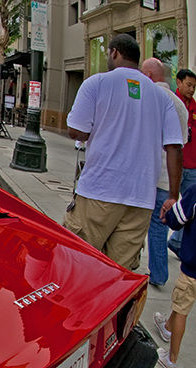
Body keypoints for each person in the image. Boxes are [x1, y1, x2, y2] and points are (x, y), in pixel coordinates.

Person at [63, 34, 183, 271]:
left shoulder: (96, 83)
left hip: (99, 190)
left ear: (114, 52)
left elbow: (76, 131)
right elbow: (174, 149)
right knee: (118, 274)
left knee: (75, 263)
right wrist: (173, 195)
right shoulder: (163, 97)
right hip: (140, 199)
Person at [141, 58, 189, 286]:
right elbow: (181, 143)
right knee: (159, 228)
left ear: (149, 74)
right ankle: (158, 274)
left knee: (133, 224)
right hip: (166, 178)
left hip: (146, 174)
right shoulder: (179, 104)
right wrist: (174, 191)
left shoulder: (147, 97)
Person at [153, 181, 196, 368]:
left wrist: (168, 211)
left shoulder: (195, 192)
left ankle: (171, 359)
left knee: (181, 309)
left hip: (192, 269)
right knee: (182, 304)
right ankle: (167, 325)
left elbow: (175, 220)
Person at [168, 68, 196, 258]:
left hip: (192, 165)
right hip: (174, 165)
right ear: (178, 83)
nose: (192, 89)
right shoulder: (172, 103)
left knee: (189, 207)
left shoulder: (195, 108)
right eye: (189, 85)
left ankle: (177, 241)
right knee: (169, 205)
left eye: (194, 86)